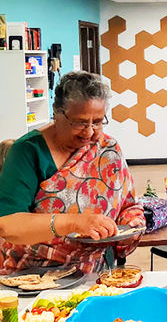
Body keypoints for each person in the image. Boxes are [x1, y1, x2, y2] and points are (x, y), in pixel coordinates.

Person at [0, 71, 145, 274]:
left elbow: (128, 205)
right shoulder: (28, 151)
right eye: (79, 122)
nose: (89, 132)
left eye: (97, 122)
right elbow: (8, 224)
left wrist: (131, 224)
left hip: (97, 272)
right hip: (32, 274)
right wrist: (75, 223)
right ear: (56, 113)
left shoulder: (108, 149)